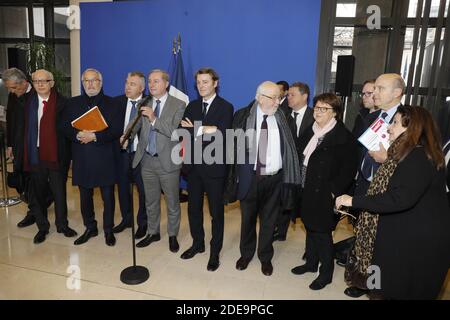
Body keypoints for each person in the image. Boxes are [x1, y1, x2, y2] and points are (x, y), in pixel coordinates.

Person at [336, 106, 450, 300]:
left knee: (393, 290)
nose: (389, 127)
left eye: (395, 122)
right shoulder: (404, 154)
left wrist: (353, 200)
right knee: (379, 285)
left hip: (414, 244)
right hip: (397, 235)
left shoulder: (418, 157)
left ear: (412, 128)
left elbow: (399, 198)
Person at [224, 81, 301, 276]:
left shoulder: (284, 118)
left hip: (275, 180)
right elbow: (232, 148)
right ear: (259, 97)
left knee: (269, 221)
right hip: (250, 178)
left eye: (279, 97)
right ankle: (246, 254)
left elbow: (291, 150)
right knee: (247, 220)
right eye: (273, 98)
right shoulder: (242, 116)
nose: (278, 102)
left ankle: (265, 257)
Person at [344, 73, 405, 298]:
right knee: (363, 237)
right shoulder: (373, 117)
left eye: (380, 88)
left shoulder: (410, 120)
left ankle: (374, 287)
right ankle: (362, 280)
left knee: (380, 243)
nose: (374, 93)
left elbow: (414, 159)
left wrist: (387, 158)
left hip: (388, 191)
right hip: (364, 185)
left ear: (397, 93)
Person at [291, 93, 358, 290]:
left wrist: (333, 192)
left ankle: (326, 273)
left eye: (324, 109)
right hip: (305, 188)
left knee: (322, 233)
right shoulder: (310, 131)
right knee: (310, 228)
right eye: (317, 108)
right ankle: (311, 264)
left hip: (324, 192)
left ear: (335, 113)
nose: (318, 112)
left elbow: (349, 170)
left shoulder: (343, 137)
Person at [61, 68, 123, 246]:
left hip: (105, 157)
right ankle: (90, 227)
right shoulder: (72, 103)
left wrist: (95, 136)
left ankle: (108, 230)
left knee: (108, 197)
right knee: (85, 197)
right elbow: (64, 126)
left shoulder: (113, 104)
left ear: (101, 83)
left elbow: (117, 130)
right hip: (82, 157)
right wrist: (78, 135)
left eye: (94, 80)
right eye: (86, 81)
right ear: (82, 83)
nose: (90, 84)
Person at [179, 68, 233, 271]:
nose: (201, 86)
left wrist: (196, 129)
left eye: (205, 82)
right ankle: (198, 244)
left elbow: (221, 135)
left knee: (216, 213)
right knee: (193, 210)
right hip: (193, 168)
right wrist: (204, 129)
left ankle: (214, 252)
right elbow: (183, 132)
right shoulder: (191, 106)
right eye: (198, 83)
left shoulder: (225, 107)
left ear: (215, 83)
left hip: (214, 170)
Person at [130, 69, 186, 252]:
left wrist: (154, 118)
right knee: (150, 201)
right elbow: (135, 125)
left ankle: (172, 235)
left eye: (156, 81)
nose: (151, 85)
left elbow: (174, 132)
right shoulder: (145, 102)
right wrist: (125, 137)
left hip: (168, 162)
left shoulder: (179, 104)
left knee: (172, 202)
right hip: (147, 160)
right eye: (150, 82)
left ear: (166, 83)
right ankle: (153, 232)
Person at [23, 69, 76, 243]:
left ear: (51, 83)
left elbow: (69, 131)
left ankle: (62, 225)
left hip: (56, 155)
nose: (40, 84)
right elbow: (21, 130)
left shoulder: (63, 103)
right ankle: (42, 227)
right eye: (36, 81)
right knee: (38, 193)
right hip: (35, 153)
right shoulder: (28, 102)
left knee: (59, 192)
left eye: (44, 81)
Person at [273, 82, 314, 241]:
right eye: (287, 94)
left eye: (292, 95)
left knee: (305, 207)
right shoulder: (282, 114)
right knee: (283, 200)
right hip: (287, 168)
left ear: (304, 96)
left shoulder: (315, 116)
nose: (287, 97)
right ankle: (281, 232)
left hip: (306, 169)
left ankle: (310, 247)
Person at [2, 67, 40, 228]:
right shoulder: (12, 95)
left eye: (15, 87)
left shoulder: (38, 94)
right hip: (18, 145)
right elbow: (10, 120)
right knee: (22, 179)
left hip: (34, 146)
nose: (12, 91)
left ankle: (34, 212)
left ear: (24, 83)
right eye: (9, 88)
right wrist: (10, 144)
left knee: (34, 179)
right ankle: (36, 205)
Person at [113, 72, 147, 239]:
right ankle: (127, 219)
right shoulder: (117, 102)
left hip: (142, 155)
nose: (127, 86)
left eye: (132, 84)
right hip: (122, 154)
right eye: (127, 83)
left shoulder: (150, 103)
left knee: (143, 191)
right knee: (123, 188)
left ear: (142, 87)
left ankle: (142, 224)